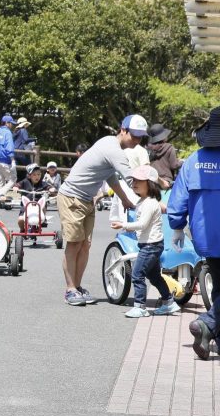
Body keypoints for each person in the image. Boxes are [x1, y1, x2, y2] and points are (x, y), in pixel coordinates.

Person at [56, 115, 144, 306]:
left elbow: (111, 176)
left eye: (141, 137)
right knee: (74, 244)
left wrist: (126, 200)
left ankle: (77, 288)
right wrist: (153, 193)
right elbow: (130, 178)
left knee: (85, 245)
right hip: (72, 197)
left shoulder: (111, 145)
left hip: (87, 200)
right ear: (123, 130)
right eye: (135, 135)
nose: (137, 140)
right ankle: (70, 290)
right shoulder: (114, 150)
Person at [168, 106, 220, 359]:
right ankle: (208, 323)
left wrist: (177, 227)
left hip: (206, 238)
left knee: (219, 286)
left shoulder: (193, 161)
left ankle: (214, 338)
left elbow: (177, 201)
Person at [111, 165, 179, 317]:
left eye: (139, 181)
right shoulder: (144, 201)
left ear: (150, 184)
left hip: (151, 246)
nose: (134, 183)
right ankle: (169, 302)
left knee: (137, 274)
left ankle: (140, 307)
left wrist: (124, 225)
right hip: (150, 245)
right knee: (154, 276)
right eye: (134, 180)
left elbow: (142, 224)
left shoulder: (149, 203)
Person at [13, 163, 54, 229]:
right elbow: (18, 185)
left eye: (39, 174)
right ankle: (22, 230)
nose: (37, 176)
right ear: (29, 176)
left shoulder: (42, 183)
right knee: (20, 220)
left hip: (38, 205)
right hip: (26, 205)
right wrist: (16, 187)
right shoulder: (25, 182)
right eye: (34, 175)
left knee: (44, 204)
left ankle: (43, 219)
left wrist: (50, 189)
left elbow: (47, 186)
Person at [148, 123, 182, 189]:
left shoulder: (149, 149)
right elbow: (174, 165)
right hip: (165, 182)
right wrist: (181, 162)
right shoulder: (169, 147)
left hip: (152, 181)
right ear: (163, 137)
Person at [0, 115, 17, 198]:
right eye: (11, 123)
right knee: (13, 179)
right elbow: (9, 147)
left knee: (0, 180)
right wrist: (13, 160)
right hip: (6, 160)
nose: (12, 125)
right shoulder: (8, 133)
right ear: (7, 123)